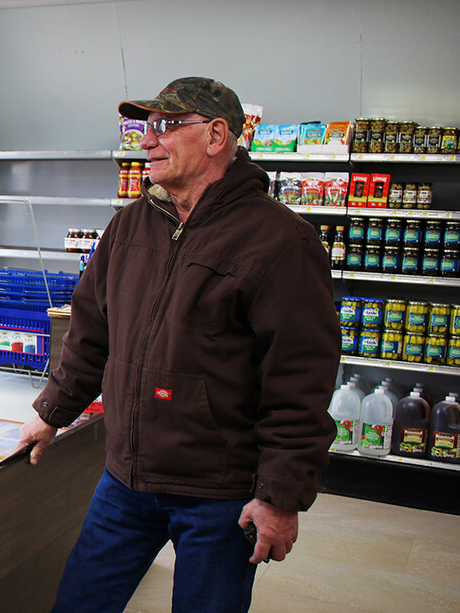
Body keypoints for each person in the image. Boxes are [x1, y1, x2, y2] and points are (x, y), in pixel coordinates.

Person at [18, 77, 340, 612]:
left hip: (220, 494)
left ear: (216, 136)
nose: (146, 141)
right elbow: (91, 332)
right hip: (125, 480)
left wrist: (279, 497)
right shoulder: (129, 226)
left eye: (166, 126)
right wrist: (51, 410)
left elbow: (299, 383)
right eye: (145, 127)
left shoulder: (281, 242)